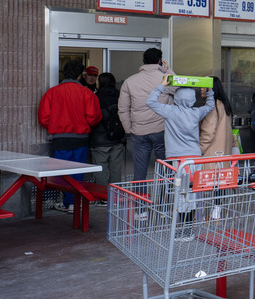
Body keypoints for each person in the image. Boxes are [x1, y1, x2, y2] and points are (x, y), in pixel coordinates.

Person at [147, 76, 214, 241]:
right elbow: (210, 105)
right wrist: (208, 88)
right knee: (190, 196)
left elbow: (150, 101)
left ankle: (186, 232)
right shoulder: (196, 112)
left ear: (176, 98)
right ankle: (187, 229)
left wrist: (162, 84)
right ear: (192, 99)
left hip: (179, 162)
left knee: (181, 197)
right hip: (195, 161)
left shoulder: (170, 111)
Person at [37, 60, 102, 214]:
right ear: (80, 75)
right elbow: (95, 117)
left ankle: (69, 202)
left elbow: (43, 118)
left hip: (60, 138)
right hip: (81, 137)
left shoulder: (52, 92)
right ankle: (75, 202)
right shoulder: (87, 93)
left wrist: (57, 126)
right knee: (78, 171)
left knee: (63, 171)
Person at [118, 48, 175, 182]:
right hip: (161, 130)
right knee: (165, 170)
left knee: (139, 171)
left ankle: (139, 201)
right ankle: (162, 202)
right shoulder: (165, 78)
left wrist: (129, 129)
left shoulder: (129, 81)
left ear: (143, 61)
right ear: (160, 61)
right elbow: (178, 88)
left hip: (139, 132)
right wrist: (168, 71)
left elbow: (122, 109)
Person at [199, 77, 238, 220]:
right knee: (219, 184)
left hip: (212, 150)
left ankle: (204, 213)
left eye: (204, 86)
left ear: (211, 88)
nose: (201, 89)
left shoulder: (212, 105)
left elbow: (208, 131)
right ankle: (217, 210)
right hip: (223, 150)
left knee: (203, 183)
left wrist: (200, 149)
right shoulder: (224, 103)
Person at [90, 72, 126, 193]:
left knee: (100, 168)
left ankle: (103, 196)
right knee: (116, 168)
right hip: (117, 137)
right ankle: (115, 194)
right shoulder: (120, 96)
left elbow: (92, 118)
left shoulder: (95, 97)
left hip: (99, 139)